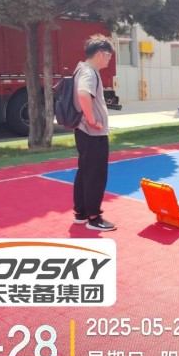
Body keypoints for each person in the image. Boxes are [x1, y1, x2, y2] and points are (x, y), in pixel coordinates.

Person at [73, 35, 116, 231]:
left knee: (85, 171)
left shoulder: (81, 69)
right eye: (108, 55)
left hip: (84, 132)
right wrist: (92, 120)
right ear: (100, 54)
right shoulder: (89, 72)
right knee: (95, 174)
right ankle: (93, 216)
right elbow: (83, 94)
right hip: (92, 133)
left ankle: (81, 212)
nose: (109, 59)